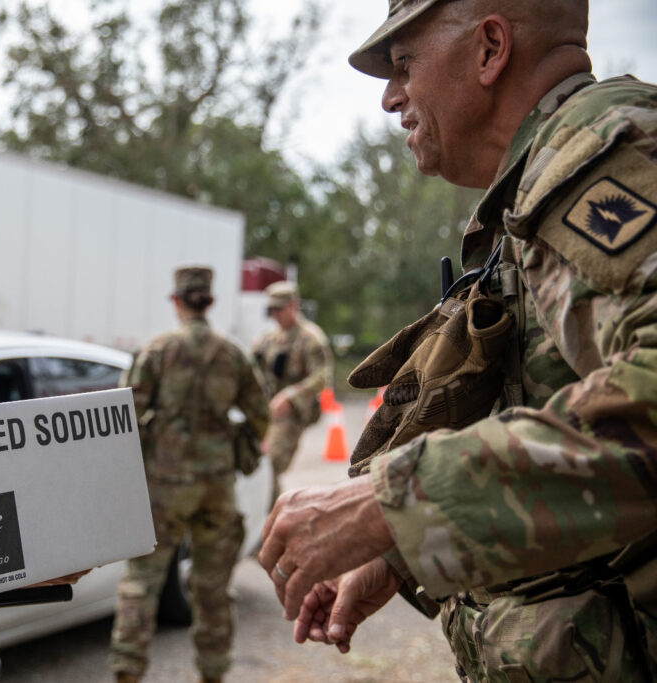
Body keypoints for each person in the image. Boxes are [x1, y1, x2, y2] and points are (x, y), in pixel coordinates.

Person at [257, 0, 657, 680]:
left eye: (404, 63)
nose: (390, 98)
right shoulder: (538, 191)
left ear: (490, 48)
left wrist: (390, 506)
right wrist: (401, 553)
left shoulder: (601, 161)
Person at [110, 266, 270, 683]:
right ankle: (213, 674)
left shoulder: (157, 351)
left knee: (142, 583)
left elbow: (124, 413)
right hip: (217, 485)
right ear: (210, 302)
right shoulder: (233, 354)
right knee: (212, 589)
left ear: (177, 301)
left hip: (164, 486)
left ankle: (127, 671)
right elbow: (260, 414)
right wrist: (242, 443)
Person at [251, 280, 333, 490]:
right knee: (254, 460)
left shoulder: (310, 338)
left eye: (279, 309)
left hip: (293, 411)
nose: (275, 315)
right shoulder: (267, 339)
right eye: (272, 310)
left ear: (293, 306)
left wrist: (290, 396)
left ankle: (274, 514)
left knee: (272, 463)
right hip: (267, 408)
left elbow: (322, 376)